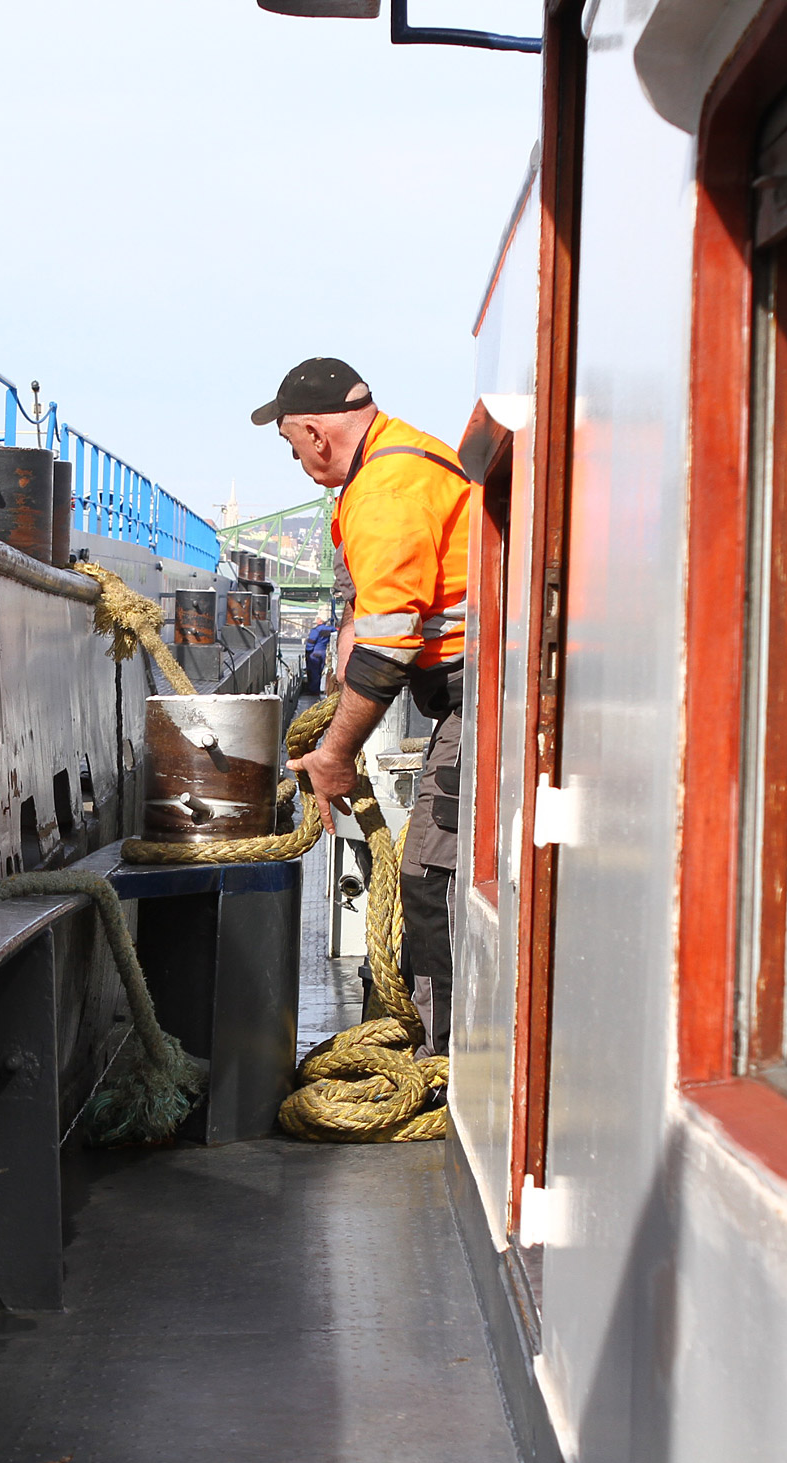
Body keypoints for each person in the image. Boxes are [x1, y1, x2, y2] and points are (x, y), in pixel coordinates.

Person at [257, 358, 470, 1056]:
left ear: (316, 432)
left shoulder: (385, 488)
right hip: (464, 698)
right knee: (431, 873)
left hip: (480, 700)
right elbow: (376, 604)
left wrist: (337, 753)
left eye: (292, 447)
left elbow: (389, 648)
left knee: (430, 879)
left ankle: (443, 1065)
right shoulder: (401, 460)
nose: (296, 462)